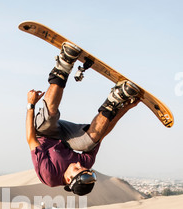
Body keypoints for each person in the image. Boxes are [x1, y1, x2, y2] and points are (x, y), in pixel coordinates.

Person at [26, 42, 140, 196]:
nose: (79, 164)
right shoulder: (85, 164)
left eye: (77, 169)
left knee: (50, 116)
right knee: (91, 140)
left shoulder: (49, 175)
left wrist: (31, 104)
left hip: (43, 134)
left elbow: (30, 138)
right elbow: (103, 132)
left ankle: (64, 64)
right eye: (82, 168)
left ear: (68, 179)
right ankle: (116, 98)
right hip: (66, 138)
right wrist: (125, 107)